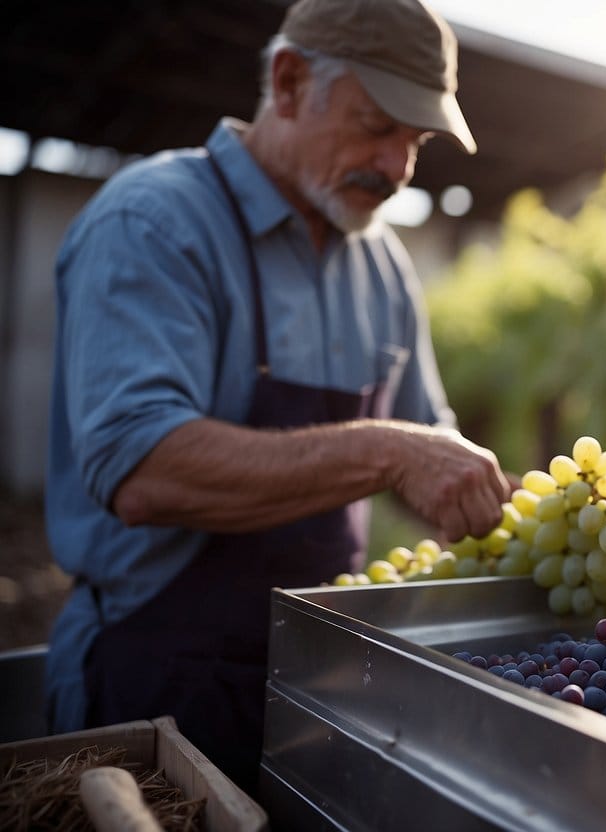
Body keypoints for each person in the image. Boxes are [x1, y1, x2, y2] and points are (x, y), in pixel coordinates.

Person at [43, 0, 509, 795]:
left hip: (319, 688)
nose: (397, 166)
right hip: (156, 686)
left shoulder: (384, 267)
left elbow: (427, 439)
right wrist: (389, 451)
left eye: (416, 142)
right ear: (289, 82)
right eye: (376, 126)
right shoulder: (155, 221)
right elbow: (143, 469)